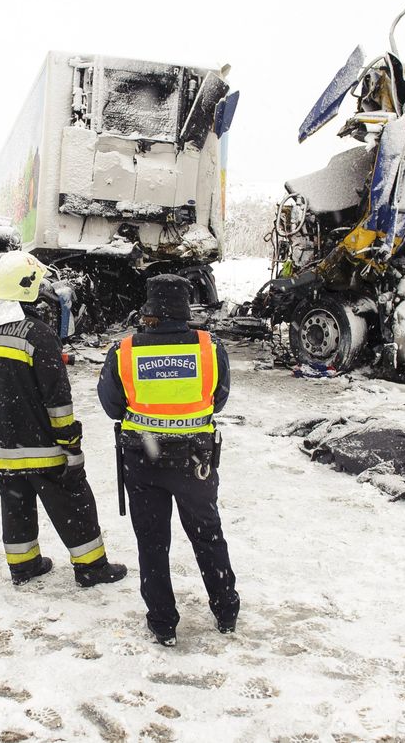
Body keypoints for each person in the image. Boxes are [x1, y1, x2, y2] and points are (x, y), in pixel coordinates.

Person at [97, 274, 238, 646]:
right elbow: (217, 399)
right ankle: (226, 609)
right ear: (185, 308)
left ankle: (162, 621)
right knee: (208, 537)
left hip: (143, 461)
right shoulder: (210, 348)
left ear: (149, 309)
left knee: (153, 543)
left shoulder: (125, 351)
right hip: (195, 461)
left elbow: (112, 406)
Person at [0, 250, 127, 588]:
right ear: (27, 287)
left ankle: (24, 566)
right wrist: (70, 442)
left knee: (16, 506)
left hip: (1, 445)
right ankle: (92, 567)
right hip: (42, 446)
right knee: (73, 500)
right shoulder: (38, 334)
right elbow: (57, 399)